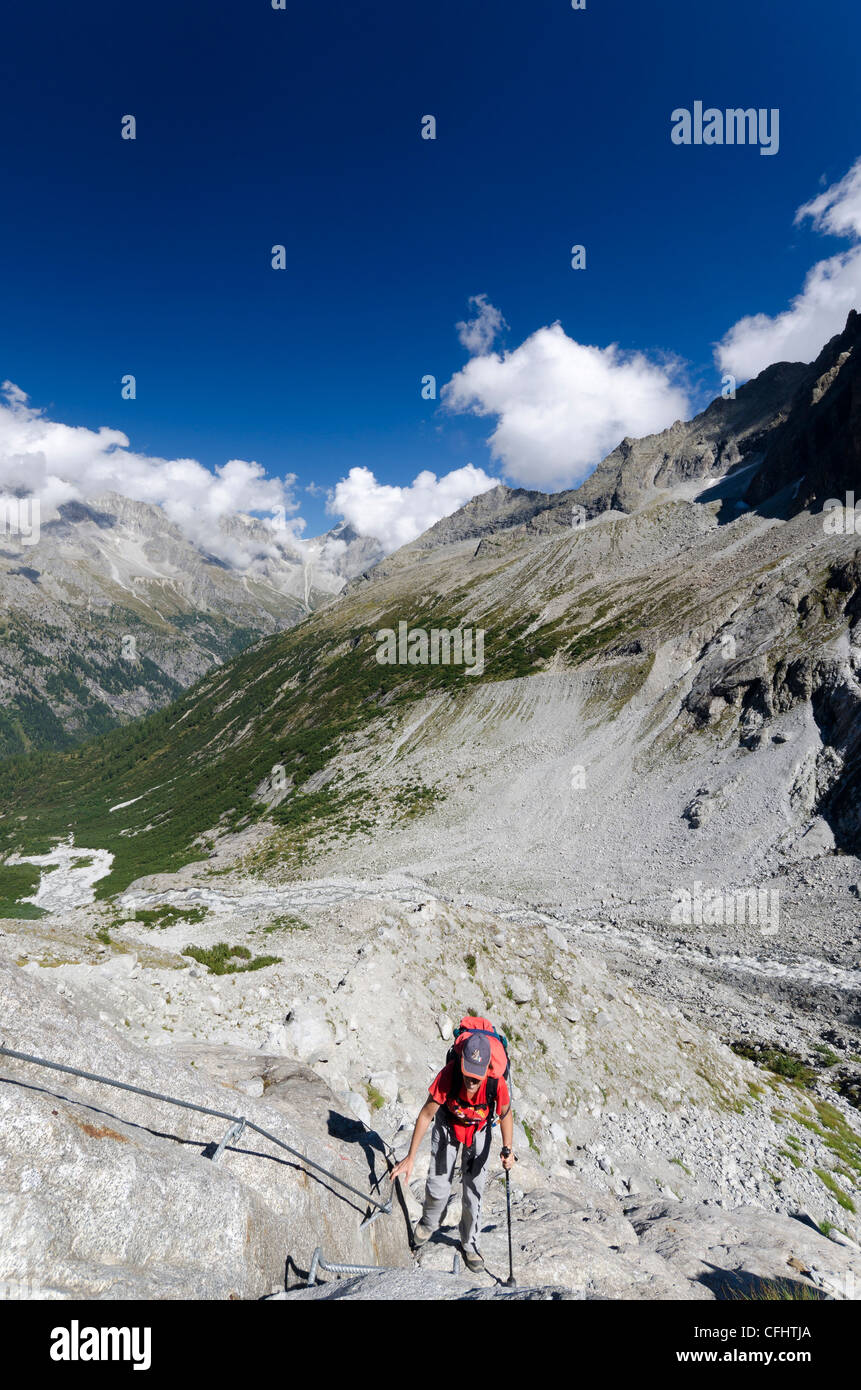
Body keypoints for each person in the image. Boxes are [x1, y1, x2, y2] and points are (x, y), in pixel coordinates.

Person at [389, 1030, 515, 1272]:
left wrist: (508, 1149)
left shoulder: (495, 1082)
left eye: (477, 1077)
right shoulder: (449, 1074)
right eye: (468, 1073)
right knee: (437, 1185)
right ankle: (427, 1223)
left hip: (478, 1132)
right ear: (461, 1063)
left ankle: (469, 1243)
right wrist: (410, 1156)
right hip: (447, 1127)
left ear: (487, 1068)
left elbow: (505, 1114)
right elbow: (427, 1114)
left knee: (473, 1192)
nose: (471, 1081)